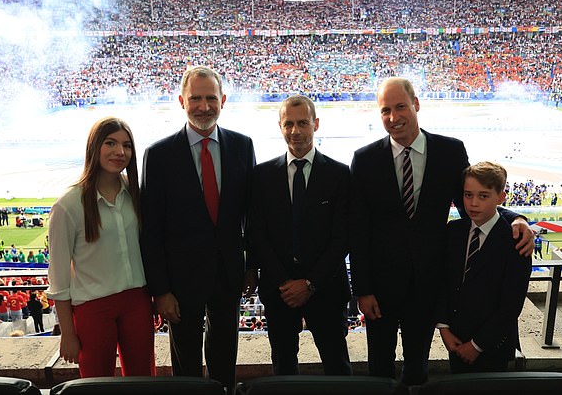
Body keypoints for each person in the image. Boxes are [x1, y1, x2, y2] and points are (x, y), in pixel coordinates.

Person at [349, 77, 534, 385]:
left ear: (416, 105)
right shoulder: (365, 159)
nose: (393, 118)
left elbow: (475, 201)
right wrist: (363, 289)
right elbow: (357, 227)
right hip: (380, 288)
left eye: (400, 107)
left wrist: (517, 217)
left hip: (427, 285)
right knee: (378, 365)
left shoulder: (449, 152)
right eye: (385, 111)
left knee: (417, 366)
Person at [140, 65, 256, 394]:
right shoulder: (159, 155)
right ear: (181, 101)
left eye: (210, 98)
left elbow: (250, 215)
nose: (204, 106)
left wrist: (250, 266)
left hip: (228, 275)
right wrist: (160, 290)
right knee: (185, 365)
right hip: (180, 282)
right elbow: (152, 229)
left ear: (223, 100)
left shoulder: (242, 146)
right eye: (196, 99)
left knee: (224, 360)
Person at [247, 95, 352, 376]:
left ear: (315, 124)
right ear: (280, 126)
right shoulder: (261, 176)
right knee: (283, 366)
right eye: (289, 124)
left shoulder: (340, 175)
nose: (295, 131)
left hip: (326, 287)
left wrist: (310, 283)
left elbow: (342, 237)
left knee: (337, 364)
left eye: (302, 123)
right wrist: (285, 282)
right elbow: (257, 235)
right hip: (279, 290)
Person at [46, 116, 155, 378]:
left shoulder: (135, 194)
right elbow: (59, 278)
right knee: (96, 381)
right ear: (94, 147)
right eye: (110, 143)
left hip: (137, 302)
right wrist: (67, 334)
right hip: (93, 307)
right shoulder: (68, 205)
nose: (120, 152)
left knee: (143, 380)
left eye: (127, 145)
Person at [437, 162, 532, 373]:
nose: (473, 203)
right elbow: (443, 282)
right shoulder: (453, 231)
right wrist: (444, 327)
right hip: (455, 339)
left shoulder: (516, 241)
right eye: (468, 195)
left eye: (483, 196)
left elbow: (511, 304)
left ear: (501, 198)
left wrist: (477, 345)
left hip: (493, 345)